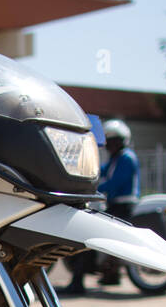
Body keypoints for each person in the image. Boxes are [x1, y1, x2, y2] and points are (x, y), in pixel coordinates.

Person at [59, 118, 140, 295]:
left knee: (90, 238)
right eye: (108, 141)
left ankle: (77, 281)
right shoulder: (115, 159)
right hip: (117, 205)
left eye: (113, 141)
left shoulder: (126, 158)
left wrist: (91, 188)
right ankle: (111, 274)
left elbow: (114, 183)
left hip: (123, 206)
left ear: (122, 140)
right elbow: (98, 171)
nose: (110, 145)